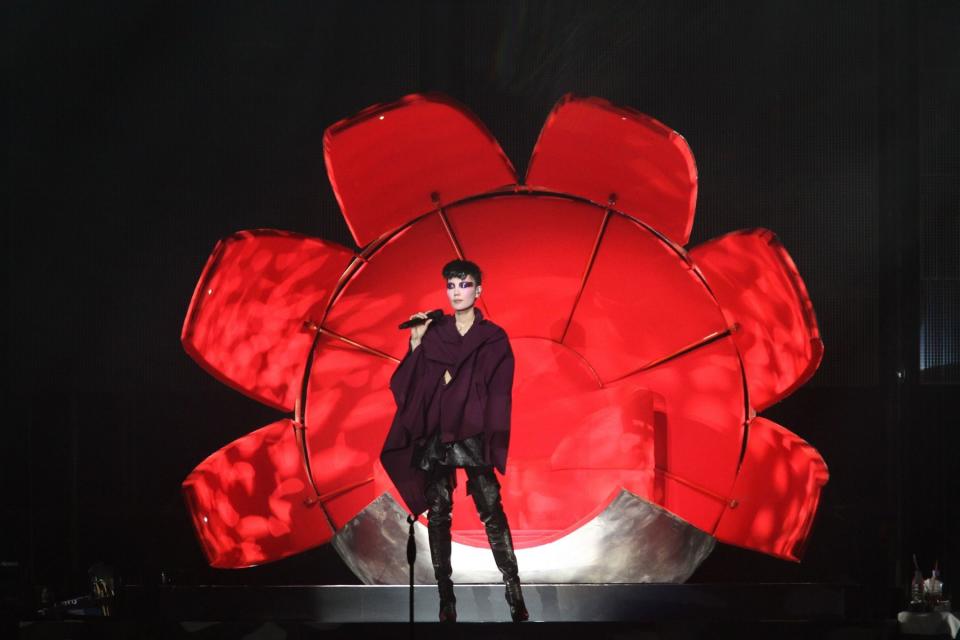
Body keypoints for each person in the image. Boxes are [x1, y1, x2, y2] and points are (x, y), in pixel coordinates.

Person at [379, 259, 529, 623]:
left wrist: (461, 387)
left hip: (473, 429)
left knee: (490, 508)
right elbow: (411, 385)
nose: (457, 291)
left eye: (464, 284)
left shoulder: (492, 337)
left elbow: (498, 389)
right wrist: (415, 343)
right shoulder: (434, 331)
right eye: (451, 285)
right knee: (440, 512)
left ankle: (513, 588)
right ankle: (446, 598)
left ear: (479, 290)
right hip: (438, 430)